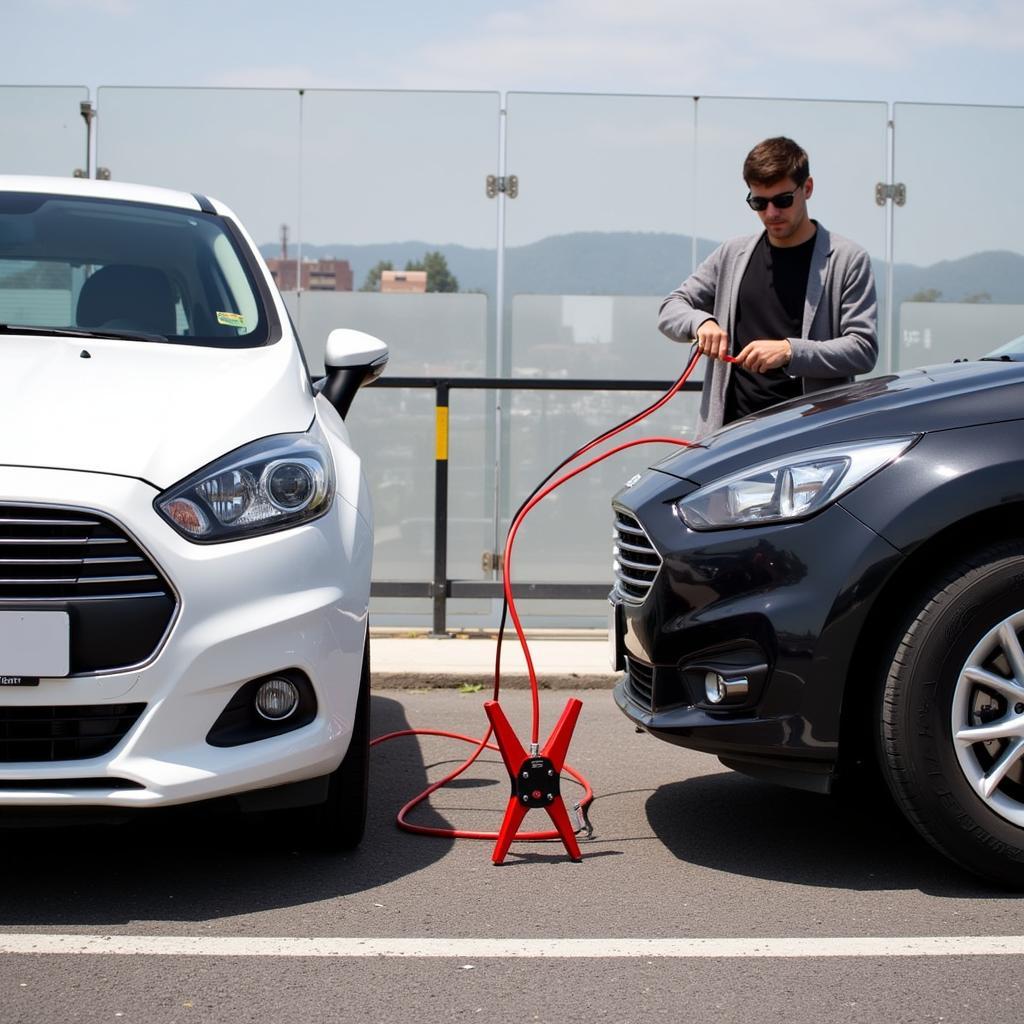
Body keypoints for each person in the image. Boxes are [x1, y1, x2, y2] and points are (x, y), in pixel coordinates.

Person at [658, 136, 878, 437]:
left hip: (809, 441)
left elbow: (862, 349)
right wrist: (701, 323)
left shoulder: (847, 259)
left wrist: (789, 351)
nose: (771, 213)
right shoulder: (732, 254)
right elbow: (671, 307)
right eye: (758, 203)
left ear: (808, 188)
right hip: (728, 438)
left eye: (783, 200)